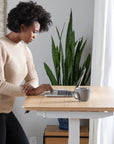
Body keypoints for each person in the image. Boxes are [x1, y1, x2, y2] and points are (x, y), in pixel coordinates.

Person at [0, 1, 53, 144]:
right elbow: (0, 85)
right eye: (34, 31)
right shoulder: (1, 46)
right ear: (22, 26)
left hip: (6, 111)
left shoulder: (24, 50)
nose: (35, 36)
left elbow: (33, 76)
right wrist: (29, 91)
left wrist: (32, 87)